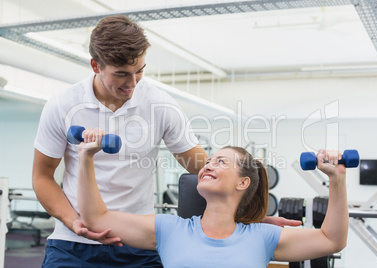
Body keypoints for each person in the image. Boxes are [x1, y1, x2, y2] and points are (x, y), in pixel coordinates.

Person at [32, 15, 299, 267]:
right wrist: (74, 221)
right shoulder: (63, 105)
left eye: (139, 71)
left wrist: (248, 215)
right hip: (73, 242)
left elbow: (202, 168)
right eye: (122, 74)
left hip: (137, 241)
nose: (133, 83)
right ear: (95, 65)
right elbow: (42, 176)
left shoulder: (159, 104)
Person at [77, 129, 349, 268]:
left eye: (220, 162)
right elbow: (96, 218)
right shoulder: (169, 229)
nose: (207, 166)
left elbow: (332, 239)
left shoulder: (262, 236)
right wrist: (85, 156)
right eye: (208, 161)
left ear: (243, 182)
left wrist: (337, 179)